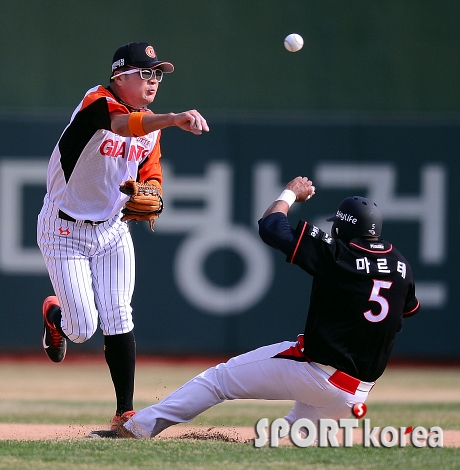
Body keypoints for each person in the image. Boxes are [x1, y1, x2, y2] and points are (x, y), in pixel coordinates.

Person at [96, 176, 420, 440]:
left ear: (343, 228)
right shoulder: (401, 266)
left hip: (317, 373)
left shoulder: (338, 254)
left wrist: (290, 193)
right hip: (356, 394)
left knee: (218, 381)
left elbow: (270, 225)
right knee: (275, 444)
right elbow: (403, 311)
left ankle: (137, 429)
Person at [37, 42, 209, 435]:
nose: (153, 82)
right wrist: (172, 118)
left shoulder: (150, 127)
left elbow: (151, 172)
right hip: (64, 227)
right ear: (120, 77)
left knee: (119, 313)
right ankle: (54, 315)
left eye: (158, 75)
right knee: (81, 328)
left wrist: (149, 187)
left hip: (113, 229)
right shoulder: (97, 102)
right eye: (145, 73)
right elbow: (121, 126)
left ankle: (125, 413)